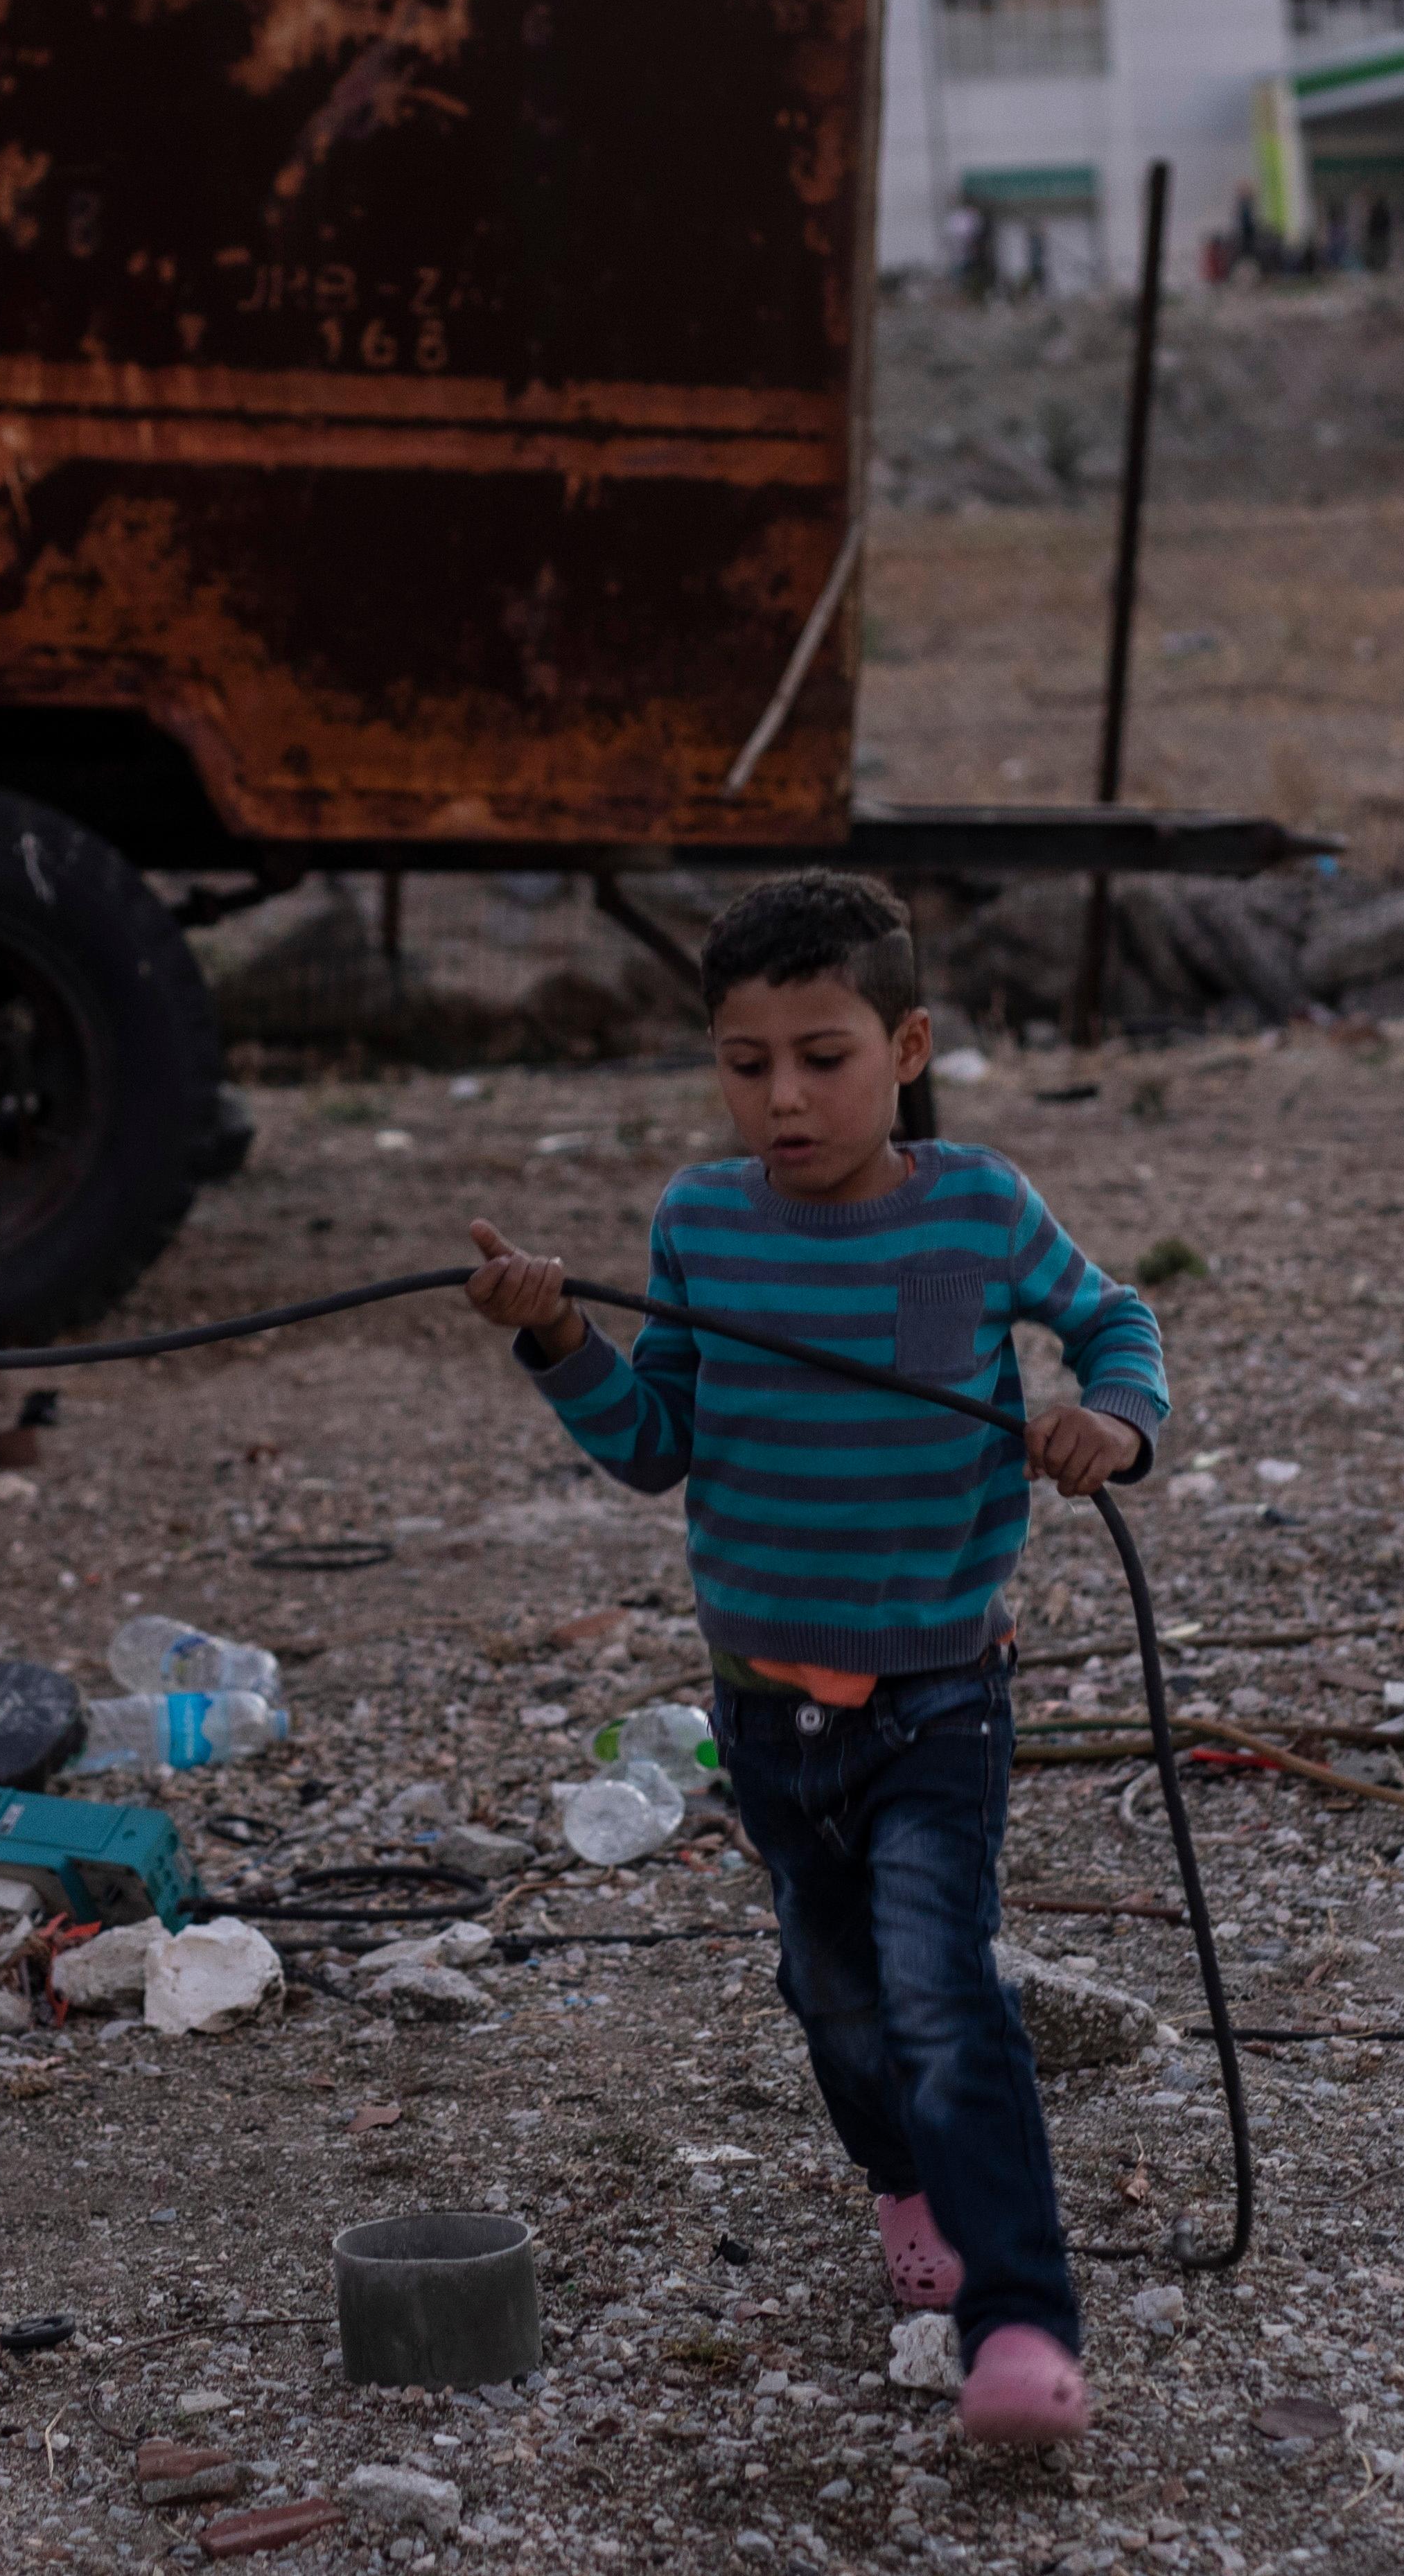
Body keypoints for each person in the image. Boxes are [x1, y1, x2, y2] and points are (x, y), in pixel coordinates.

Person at [464, 872, 1163, 2449]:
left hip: (939, 1695)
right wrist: (561, 1337)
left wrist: (1112, 1422)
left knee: (940, 1982)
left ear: (905, 1045)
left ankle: (1020, 2323)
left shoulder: (977, 1204)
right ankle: (900, 2175)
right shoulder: (701, 1222)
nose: (783, 1094)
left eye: (824, 1054)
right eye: (745, 1058)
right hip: (767, 1710)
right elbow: (657, 1446)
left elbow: (1113, 1317)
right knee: (834, 1994)